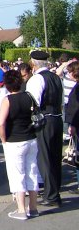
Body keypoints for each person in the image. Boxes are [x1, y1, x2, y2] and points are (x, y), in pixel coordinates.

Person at [0, 70, 40, 220]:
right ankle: (33, 207)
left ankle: (21, 210)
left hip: (15, 140)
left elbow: (0, 123)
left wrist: (3, 139)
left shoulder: (7, 100)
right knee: (32, 172)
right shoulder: (29, 96)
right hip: (31, 138)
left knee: (17, 175)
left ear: (7, 85)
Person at [26, 50, 64, 207]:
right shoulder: (56, 77)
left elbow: (33, 102)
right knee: (55, 158)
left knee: (45, 158)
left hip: (45, 120)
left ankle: (51, 195)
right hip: (57, 119)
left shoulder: (36, 79)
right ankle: (55, 191)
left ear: (33, 64)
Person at [63, 61, 79, 194]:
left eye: (70, 71)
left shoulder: (77, 88)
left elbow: (74, 108)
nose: (68, 74)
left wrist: (72, 125)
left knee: (78, 155)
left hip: (77, 124)